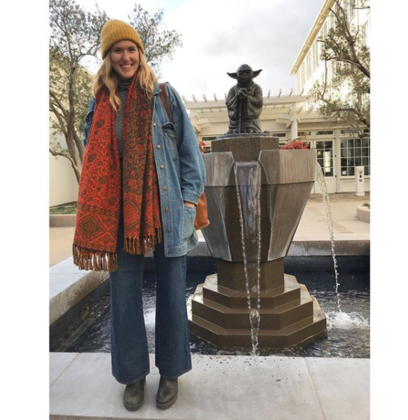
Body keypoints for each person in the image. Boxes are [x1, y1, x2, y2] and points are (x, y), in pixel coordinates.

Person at [72, 19, 205, 411]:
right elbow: (94, 160)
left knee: (172, 293)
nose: (126, 57)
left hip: (166, 209)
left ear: (140, 53)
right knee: (124, 294)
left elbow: (190, 153)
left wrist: (187, 204)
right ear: (108, 57)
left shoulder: (163, 94)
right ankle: (132, 375)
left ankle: (170, 372)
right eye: (118, 50)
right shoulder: (100, 102)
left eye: (131, 49)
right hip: (119, 215)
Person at [225, 64, 263, 133]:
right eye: (241, 73)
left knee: (251, 131)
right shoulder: (233, 89)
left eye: (248, 72)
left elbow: (259, 102)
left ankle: (250, 128)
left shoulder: (256, 88)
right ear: (236, 75)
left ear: (252, 75)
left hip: (252, 124)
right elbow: (228, 103)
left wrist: (247, 97)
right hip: (235, 125)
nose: (245, 74)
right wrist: (237, 97)